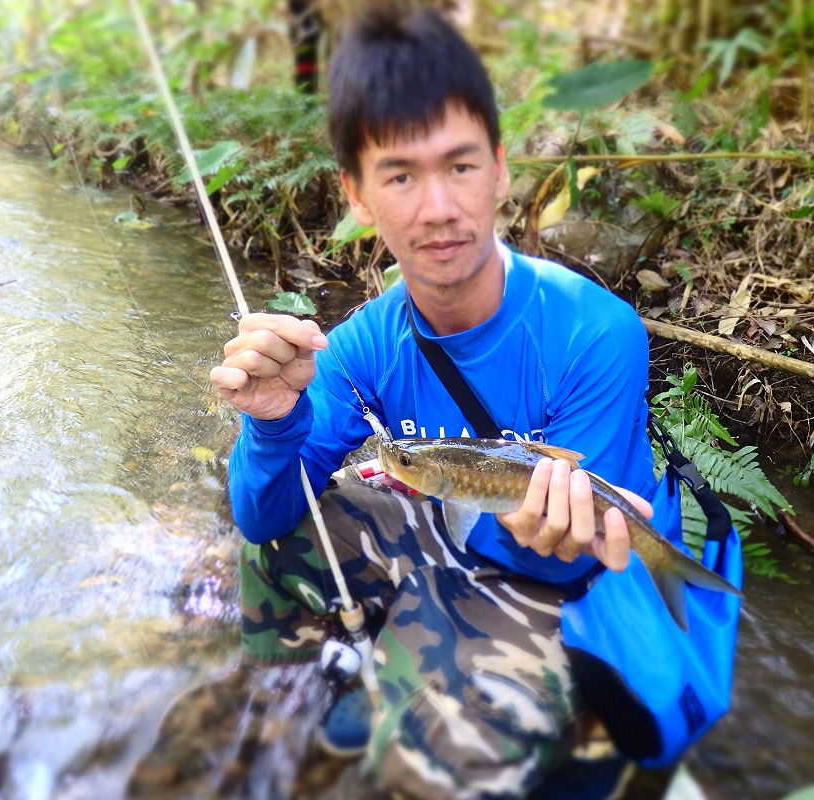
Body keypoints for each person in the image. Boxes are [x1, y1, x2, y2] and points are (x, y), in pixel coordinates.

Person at [210, 8, 690, 799]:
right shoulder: (361, 343)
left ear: (500, 170)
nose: (438, 207)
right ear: (357, 196)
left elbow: (560, 550)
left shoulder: (596, 331)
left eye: (460, 167)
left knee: (435, 771)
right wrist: (271, 424)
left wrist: (414, 629)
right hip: (455, 517)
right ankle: (311, 706)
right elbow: (264, 518)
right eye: (400, 176)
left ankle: (520, 723)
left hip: (569, 570)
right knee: (277, 548)